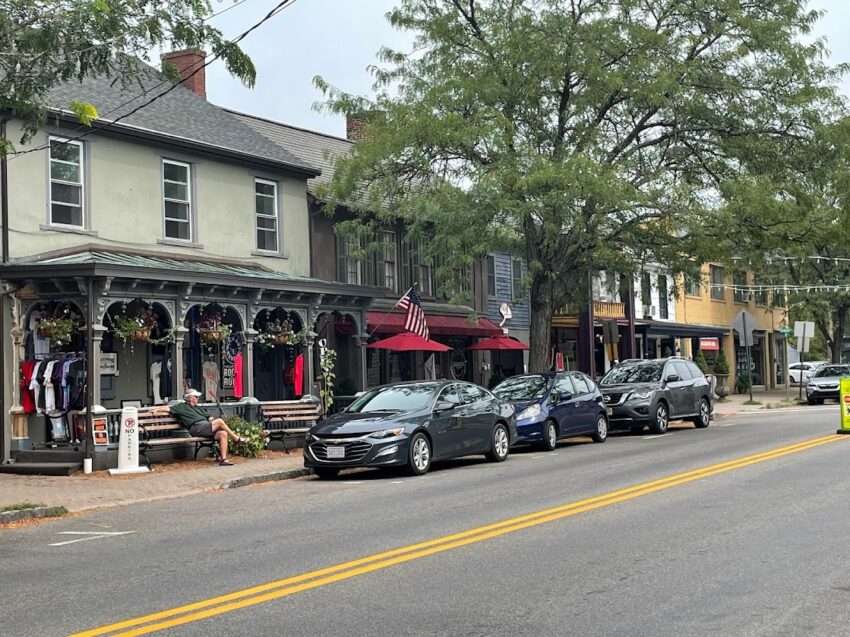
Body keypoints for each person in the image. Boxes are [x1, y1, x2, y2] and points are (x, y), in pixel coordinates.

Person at [151, 389, 245, 466]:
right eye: (196, 396)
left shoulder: (198, 407)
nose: (198, 398)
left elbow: (208, 416)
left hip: (205, 427)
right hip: (196, 428)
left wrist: (211, 419)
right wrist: (157, 409)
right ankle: (236, 438)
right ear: (190, 398)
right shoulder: (181, 407)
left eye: (197, 396)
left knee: (223, 434)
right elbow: (168, 409)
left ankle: (223, 459)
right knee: (219, 421)